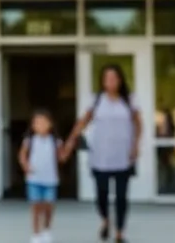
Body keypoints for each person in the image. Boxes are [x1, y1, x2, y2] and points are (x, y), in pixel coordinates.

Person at [65, 64, 142, 242]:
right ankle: (106, 220)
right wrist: (70, 141)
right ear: (102, 81)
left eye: (114, 77)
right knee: (101, 195)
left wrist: (136, 146)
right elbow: (82, 122)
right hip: (100, 156)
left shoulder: (130, 100)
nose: (110, 81)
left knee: (122, 196)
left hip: (123, 156)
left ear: (120, 80)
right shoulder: (96, 100)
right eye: (107, 78)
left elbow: (138, 124)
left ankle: (120, 232)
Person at [18, 109, 69, 243]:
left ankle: (46, 229)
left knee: (48, 206)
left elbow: (61, 157)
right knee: (35, 207)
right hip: (34, 179)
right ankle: (36, 233)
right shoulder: (30, 140)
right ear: (33, 126)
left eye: (43, 123)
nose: (40, 126)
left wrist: (67, 150)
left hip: (50, 179)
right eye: (37, 123)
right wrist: (25, 166)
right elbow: (22, 155)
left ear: (50, 124)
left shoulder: (55, 141)